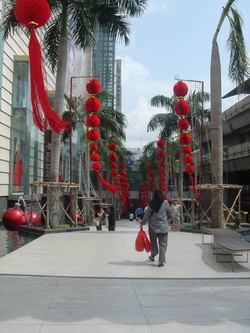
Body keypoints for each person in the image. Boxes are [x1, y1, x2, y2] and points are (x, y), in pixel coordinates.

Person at [140, 189, 171, 267]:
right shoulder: (166, 203)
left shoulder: (151, 204)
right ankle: (161, 261)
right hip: (163, 227)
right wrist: (165, 219)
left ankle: (153, 255)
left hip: (153, 227)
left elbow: (147, 215)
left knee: (153, 243)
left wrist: (142, 223)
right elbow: (169, 213)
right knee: (163, 244)